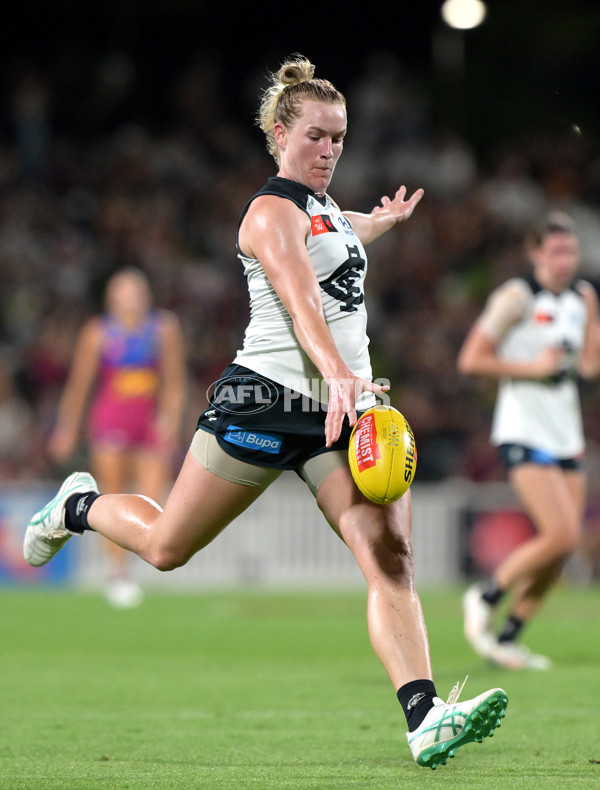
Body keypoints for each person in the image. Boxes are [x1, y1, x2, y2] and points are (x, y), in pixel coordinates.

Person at [24, 54, 507, 768]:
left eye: (339, 138)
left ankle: (424, 716)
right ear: (281, 133)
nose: (330, 150)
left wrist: (380, 222)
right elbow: (300, 297)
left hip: (341, 409)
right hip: (265, 399)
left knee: (390, 556)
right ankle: (76, 508)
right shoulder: (268, 213)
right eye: (316, 136)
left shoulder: (325, 210)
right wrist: (339, 374)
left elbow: (341, 234)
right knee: (166, 548)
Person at [458, 211, 600, 669]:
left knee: (564, 544)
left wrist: (592, 325)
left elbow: (589, 367)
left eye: (570, 251)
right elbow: (471, 360)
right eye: (555, 251)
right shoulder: (515, 297)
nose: (565, 260)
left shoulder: (581, 297)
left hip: (565, 432)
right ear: (535, 252)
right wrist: (531, 369)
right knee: (561, 533)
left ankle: (508, 638)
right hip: (523, 427)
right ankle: (486, 593)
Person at [46, 267, 187, 607]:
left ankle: (142, 562)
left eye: (135, 293)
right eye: (123, 294)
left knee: (152, 501)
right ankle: (118, 573)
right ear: (111, 299)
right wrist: (67, 428)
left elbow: (175, 380)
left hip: (149, 425)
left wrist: (170, 420)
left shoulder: (163, 328)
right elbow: (79, 385)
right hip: (110, 423)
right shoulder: (98, 332)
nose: (130, 300)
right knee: (112, 497)